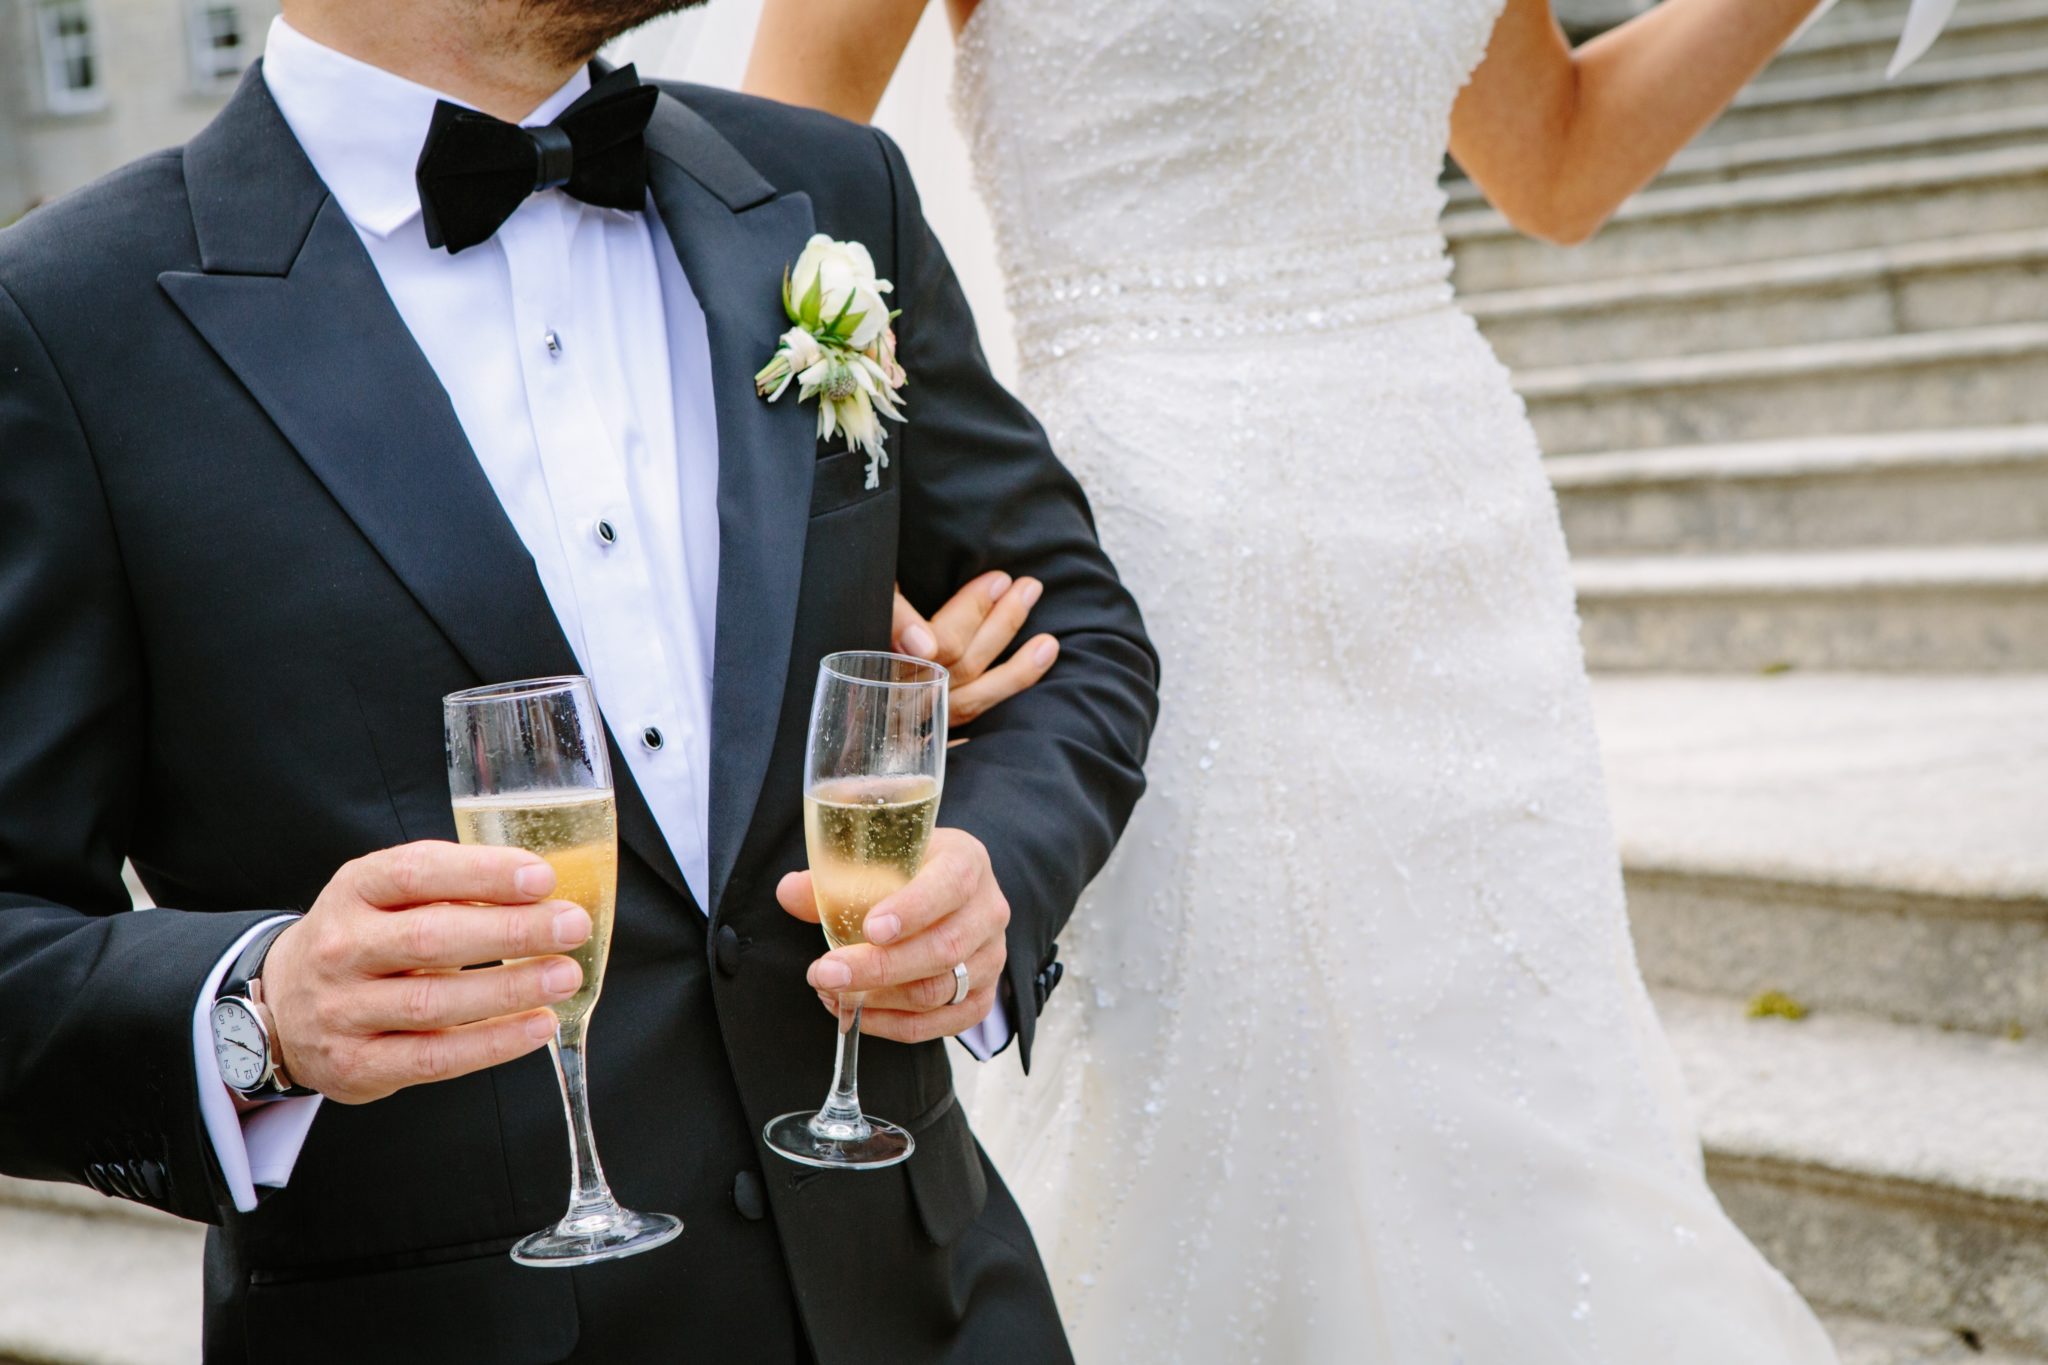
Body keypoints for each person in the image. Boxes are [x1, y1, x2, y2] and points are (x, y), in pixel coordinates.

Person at [721, 0, 1953, 1359]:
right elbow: (778, 184)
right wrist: (863, 554)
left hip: (1458, 546)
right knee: (1225, 1093)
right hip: (1166, 545)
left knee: (1513, 1088)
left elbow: (1551, 158)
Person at [0, 1, 1159, 1360]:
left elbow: (1072, 626)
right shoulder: (67, 322)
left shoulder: (828, 192)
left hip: (940, 1306)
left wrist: (993, 870)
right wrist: (260, 1012)